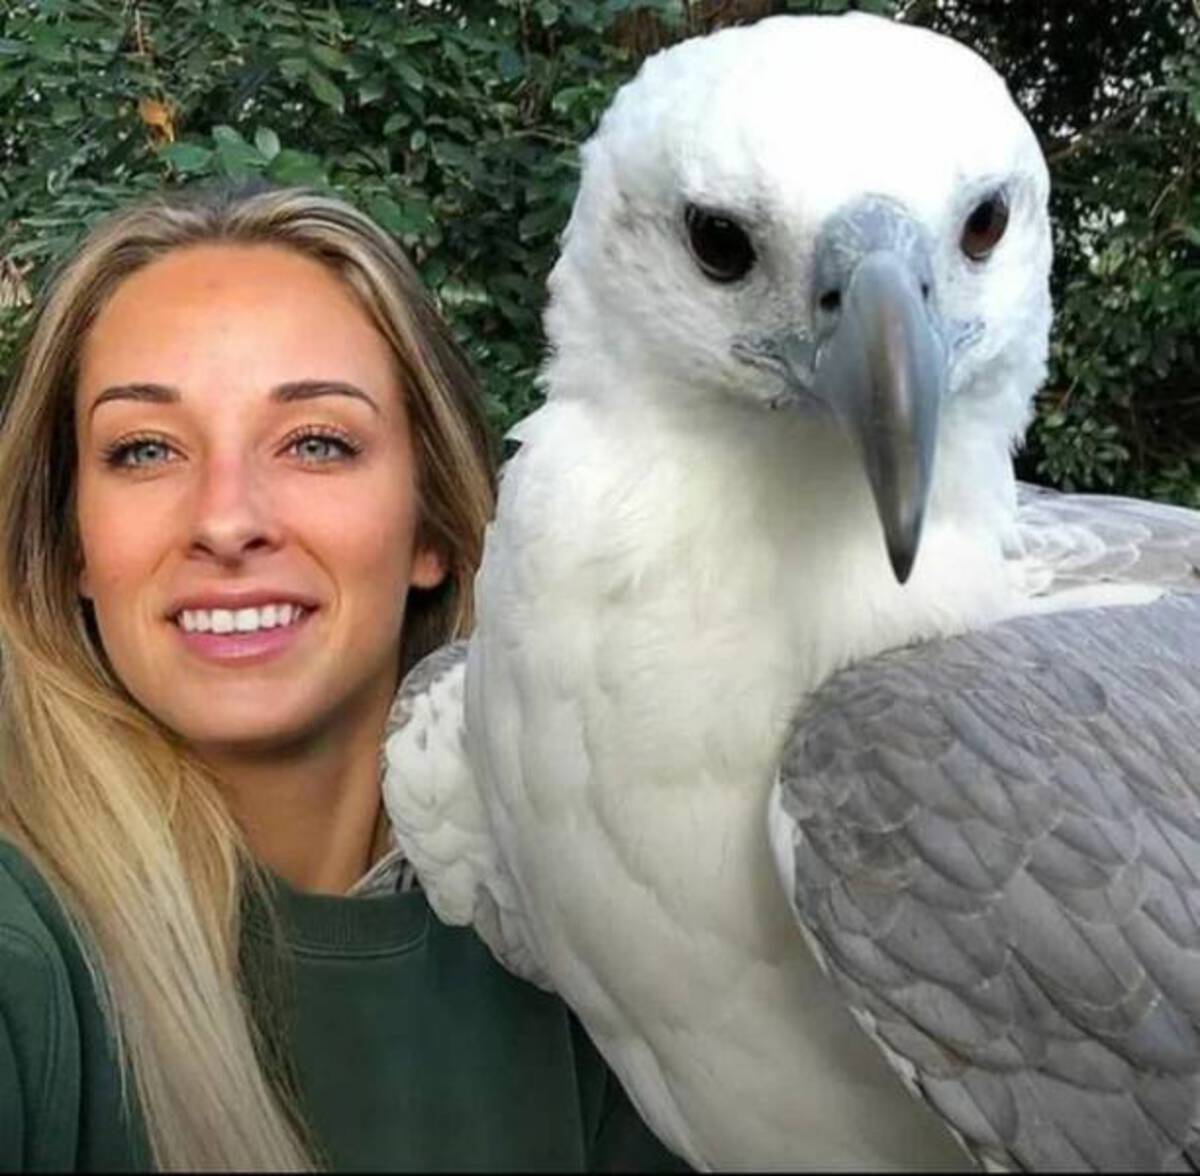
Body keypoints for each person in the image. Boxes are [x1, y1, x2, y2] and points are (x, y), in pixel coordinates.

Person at [0, 184, 686, 1172]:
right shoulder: (27, 960)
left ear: (436, 530)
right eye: (145, 450)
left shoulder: (611, 939)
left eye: (316, 442)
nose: (227, 520)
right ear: (71, 543)